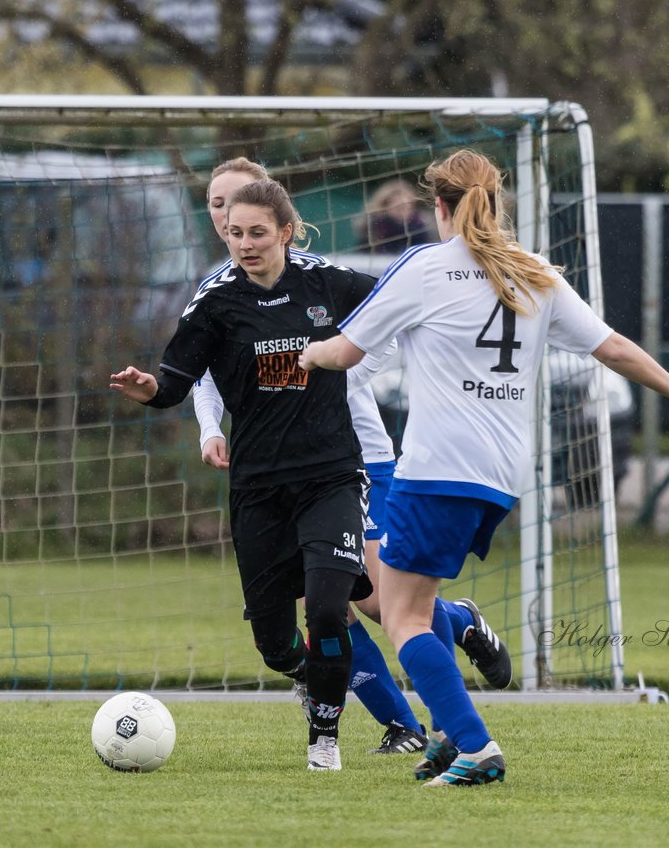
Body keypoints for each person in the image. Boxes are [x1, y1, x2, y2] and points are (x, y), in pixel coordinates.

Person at [300, 148, 669, 787]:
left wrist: (308, 356)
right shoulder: (536, 274)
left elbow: (347, 350)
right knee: (419, 599)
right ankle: (443, 734)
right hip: (500, 475)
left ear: (439, 208)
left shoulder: (425, 267)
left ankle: (474, 745)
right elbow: (616, 347)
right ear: (497, 204)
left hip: (435, 466)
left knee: (400, 615)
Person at [195, 159, 511, 756]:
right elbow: (202, 369)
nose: (228, 220)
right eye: (216, 206)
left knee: (371, 600)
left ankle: (449, 693)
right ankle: (403, 725)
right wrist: (211, 426)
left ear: (279, 218)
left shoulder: (320, 278)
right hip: (271, 467)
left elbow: (384, 334)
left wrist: (341, 374)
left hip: (353, 458)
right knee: (327, 607)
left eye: (240, 207)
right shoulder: (218, 289)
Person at [112, 179, 385, 772]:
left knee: (328, 608)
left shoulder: (326, 284)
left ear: (285, 232)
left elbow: (402, 301)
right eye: (235, 233)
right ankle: (309, 677)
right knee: (273, 642)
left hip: (331, 475)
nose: (245, 244)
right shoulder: (215, 304)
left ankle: (324, 740)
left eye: (257, 232)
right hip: (259, 487)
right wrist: (149, 391)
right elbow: (174, 384)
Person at [356, 179, 432, 254]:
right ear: (385, 207)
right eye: (400, 207)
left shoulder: (421, 229)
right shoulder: (373, 230)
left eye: (410, 206)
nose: (405, 212)